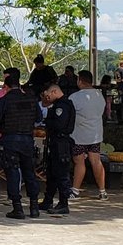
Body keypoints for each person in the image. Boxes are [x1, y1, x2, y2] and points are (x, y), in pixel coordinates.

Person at [0, 68, 43, 219]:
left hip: (10, 140)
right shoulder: (31, 99)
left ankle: (17, 208)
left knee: (12, 173)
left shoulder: (4, 100)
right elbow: (39, 118)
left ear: (5, 87)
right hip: (27, 140)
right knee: (30, 173)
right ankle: (34, 207)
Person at [69, 70, 108, 200]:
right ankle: (102, 191)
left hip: (79, 135)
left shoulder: (75, 97)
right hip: (95, 134)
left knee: (79, 162)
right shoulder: (99, 95)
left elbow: (69, 114)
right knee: (96, 161)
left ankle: (75, 190)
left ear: (80, 80)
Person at [39, 81, 76, 214]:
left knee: (61, 174)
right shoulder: (58, 105)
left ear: (54, 92)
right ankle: (48, 200)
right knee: (52, 173)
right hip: (55, 142)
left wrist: (48, 121)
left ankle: (63, 203)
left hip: (61, 143)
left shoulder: (63, 106)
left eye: (47, 95)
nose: (46, 97)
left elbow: (59, 125)